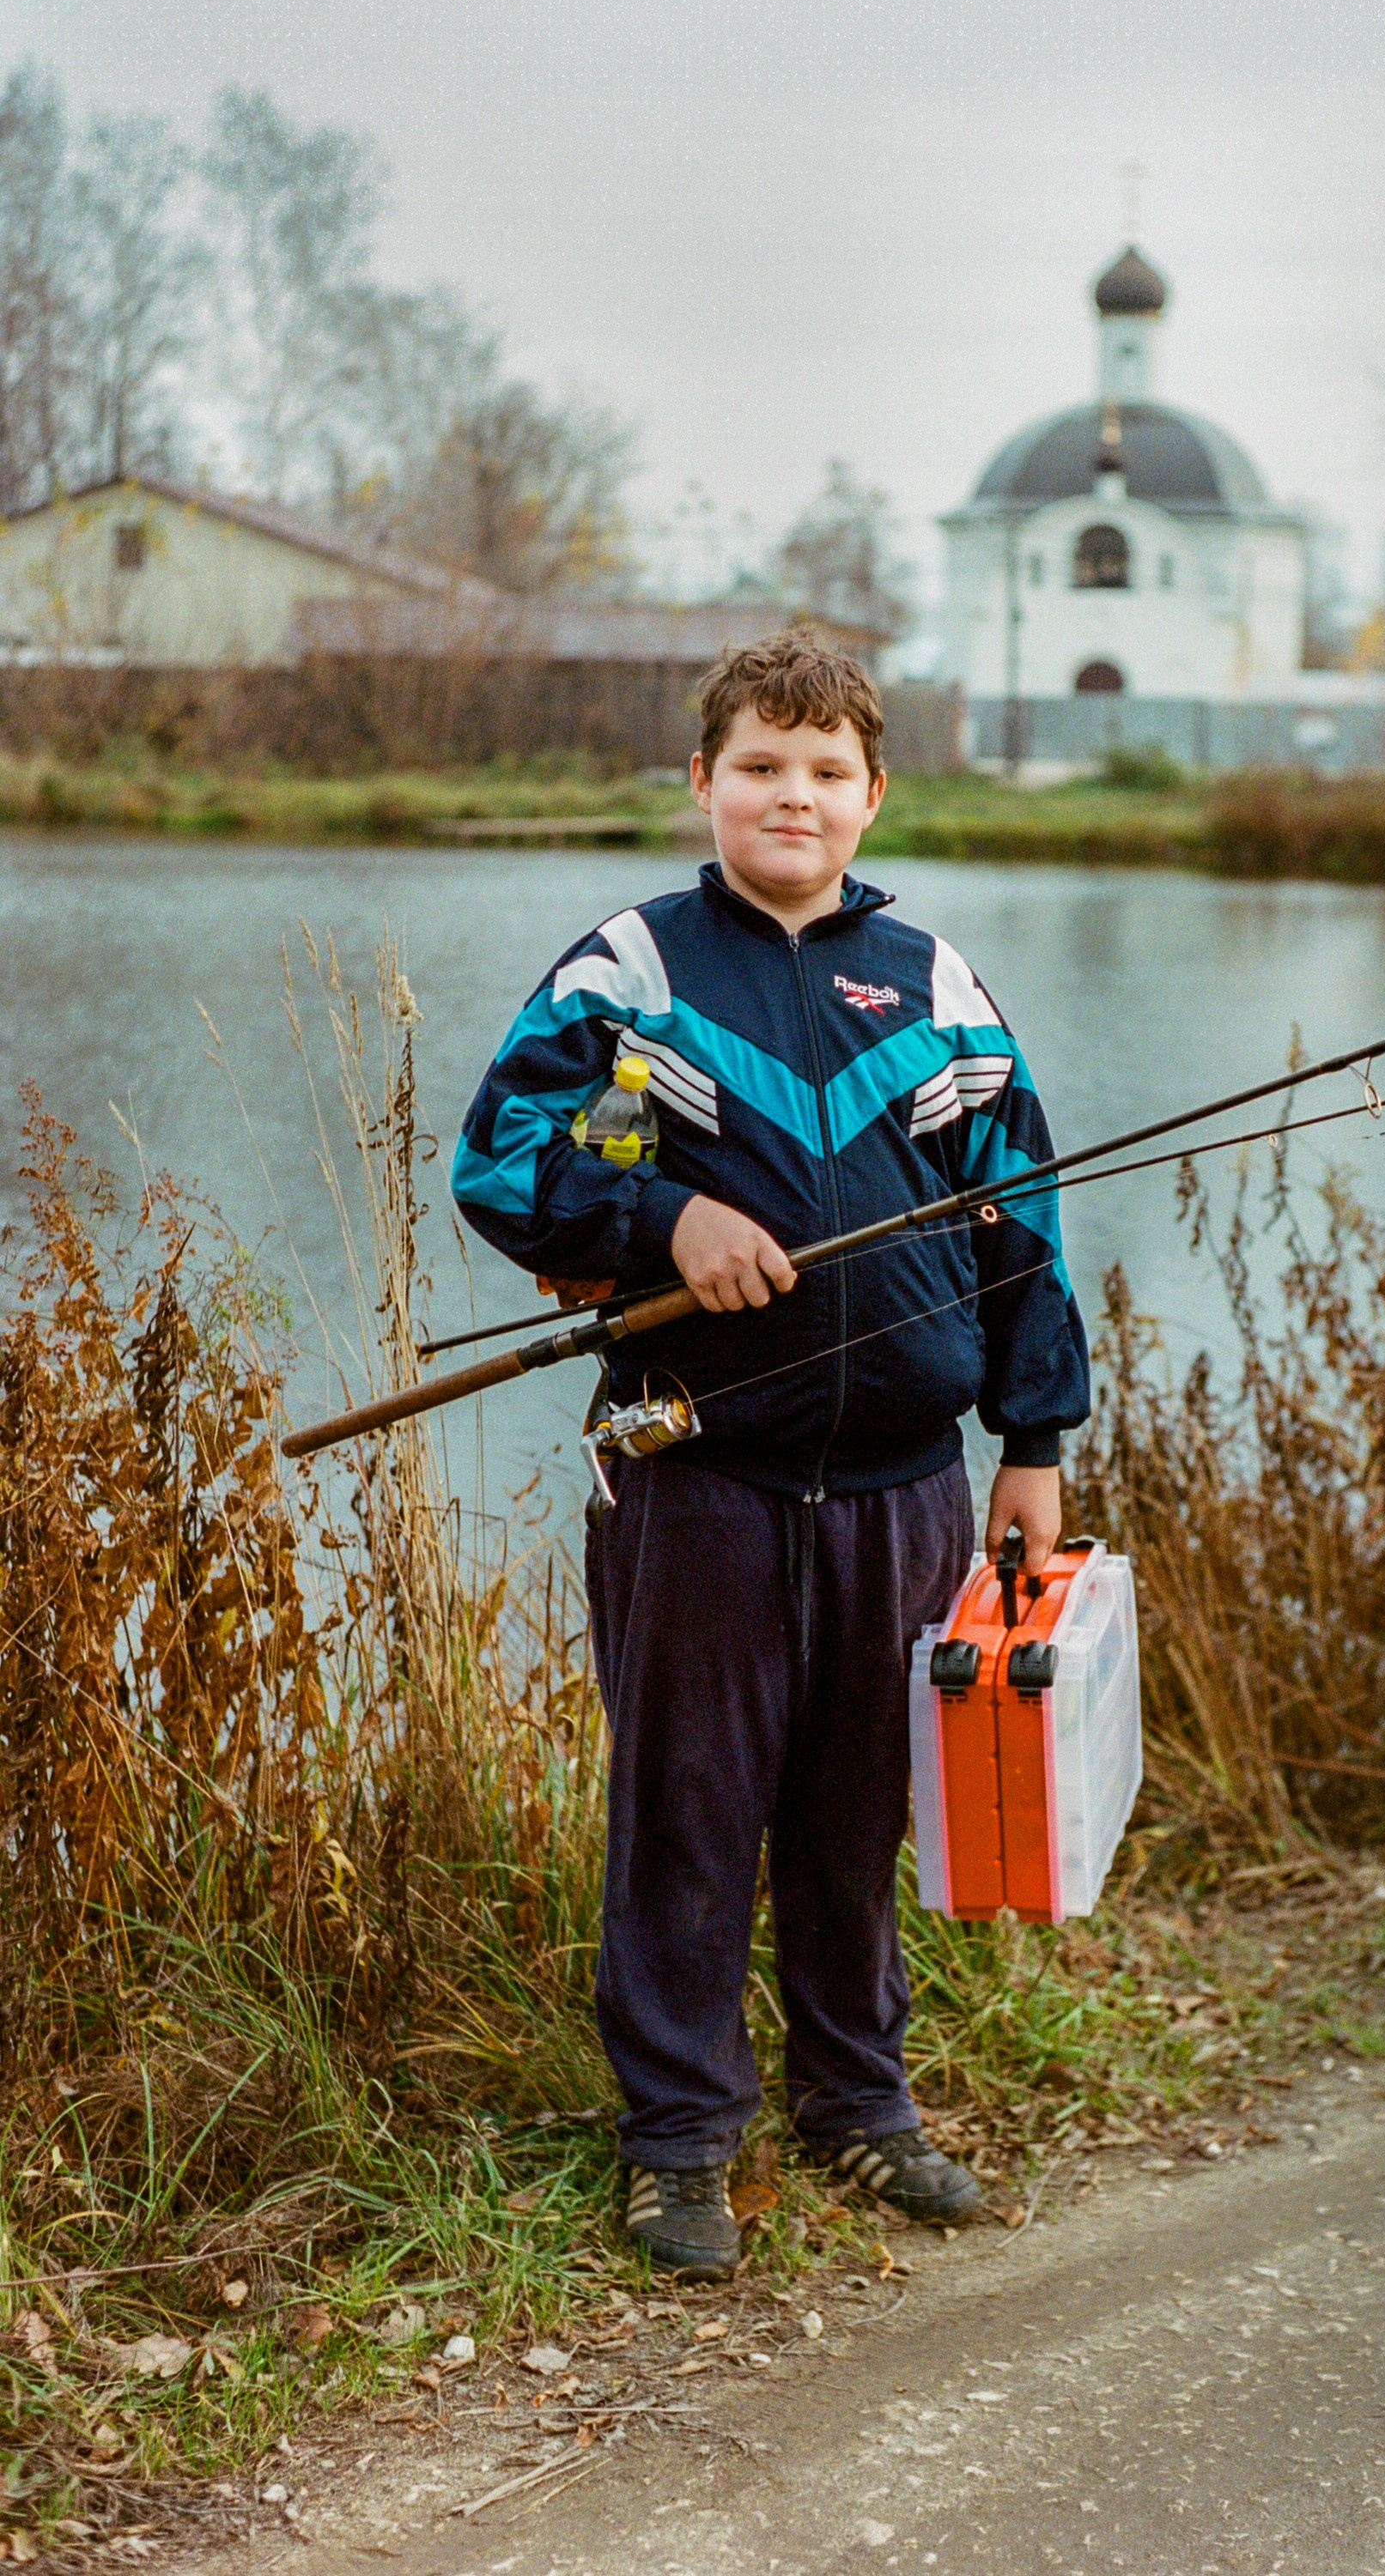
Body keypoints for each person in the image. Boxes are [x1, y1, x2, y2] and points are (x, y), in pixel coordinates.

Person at [452, 633, 1090, 2276]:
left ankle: (857, 2108)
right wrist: (661, 1209)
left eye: (823, 772)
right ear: (703, 786)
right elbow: (500, 1159)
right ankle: (676, 2145)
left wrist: (1033, 1434)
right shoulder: (632, 971)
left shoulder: (935, 984)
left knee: (850, 1810)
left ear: (872, 798)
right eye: (758, 767)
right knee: (686, 1813)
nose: (788, 796)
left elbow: (1021, 1216)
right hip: (698, 1474)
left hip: (905, 1486)